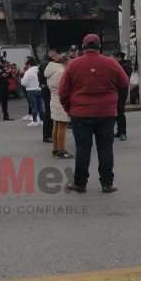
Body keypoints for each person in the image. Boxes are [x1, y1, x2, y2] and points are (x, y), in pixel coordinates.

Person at [59, 34, 129, 193]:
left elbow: (63, 91)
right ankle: (107, 183)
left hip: (80, 113)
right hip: (106, 113)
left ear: (83, 47)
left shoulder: (73, 64)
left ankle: (80, 183)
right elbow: (124, 83)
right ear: (99, 46)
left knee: (83, 148)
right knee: (105, 148)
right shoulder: (111, 62)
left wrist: (68, 108)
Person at [45, 55, 74, 159]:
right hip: (61, 101)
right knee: (62, 126)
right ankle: (61, 150)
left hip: (54, 99)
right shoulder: (61, 72)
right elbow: (64, 88)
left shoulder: (52, 70)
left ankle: (55, 149)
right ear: (65, 62)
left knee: (56, 125)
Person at [38, 49, 61, 142]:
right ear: (53, 55)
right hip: (47, 90)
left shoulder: (44, 62)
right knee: (48, 113)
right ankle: (47, 135)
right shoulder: (47, 64)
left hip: (45, 89)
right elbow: (47, 77)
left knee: (48, 112)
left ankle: (48, 135)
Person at [112, 51, 133, 141]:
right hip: (115, 91)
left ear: (119, 58)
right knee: (116, 112)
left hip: (122, 92)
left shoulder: (126, 67)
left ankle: (123, 132)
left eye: (113, 57)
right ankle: (119, 131)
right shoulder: (118, 65)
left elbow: (123, 80)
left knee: (120, 111)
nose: (112, 59)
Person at [21, 58, 44, 127]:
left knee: (34, 106)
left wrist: (22, 79)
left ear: (29, 64)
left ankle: (35, 121)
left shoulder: (28, 72)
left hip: (31, 90)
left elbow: (24, 83)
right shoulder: (39, 70)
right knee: (40, 106)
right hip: (39, 89)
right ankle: (41, 120)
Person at [0, 57, 14, 122]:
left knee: (5, 102)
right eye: (2, 63)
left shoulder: (4, 67)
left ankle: (6, 116)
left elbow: (9, 76)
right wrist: (1, 76)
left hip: (5, 86)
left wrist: (9, 73)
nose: (4, 64)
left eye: (4, 62)